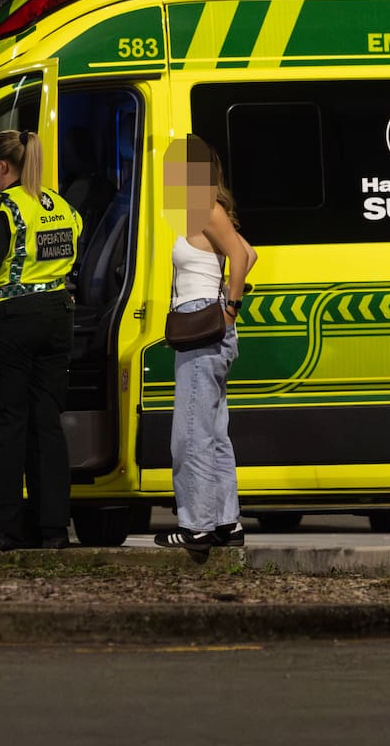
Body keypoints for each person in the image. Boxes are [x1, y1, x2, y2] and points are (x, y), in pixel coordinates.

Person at [0, 129, 82, 550]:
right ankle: (53, 529)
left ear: (4, 165)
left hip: (9, 322)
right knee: (46, 426)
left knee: (6, 425)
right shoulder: (57, 203)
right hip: (55, 317)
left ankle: (4, 528)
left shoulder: (0, 207)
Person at [155, 135, 256, 553]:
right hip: (208, 325)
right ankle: (226, 522)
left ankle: (196, 525)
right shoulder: (204, 211)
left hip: (204, 323)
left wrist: (229, 306)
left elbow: (240, 256)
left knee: (191, 433)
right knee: (214, 431)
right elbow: (248, 253)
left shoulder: (207, 210)